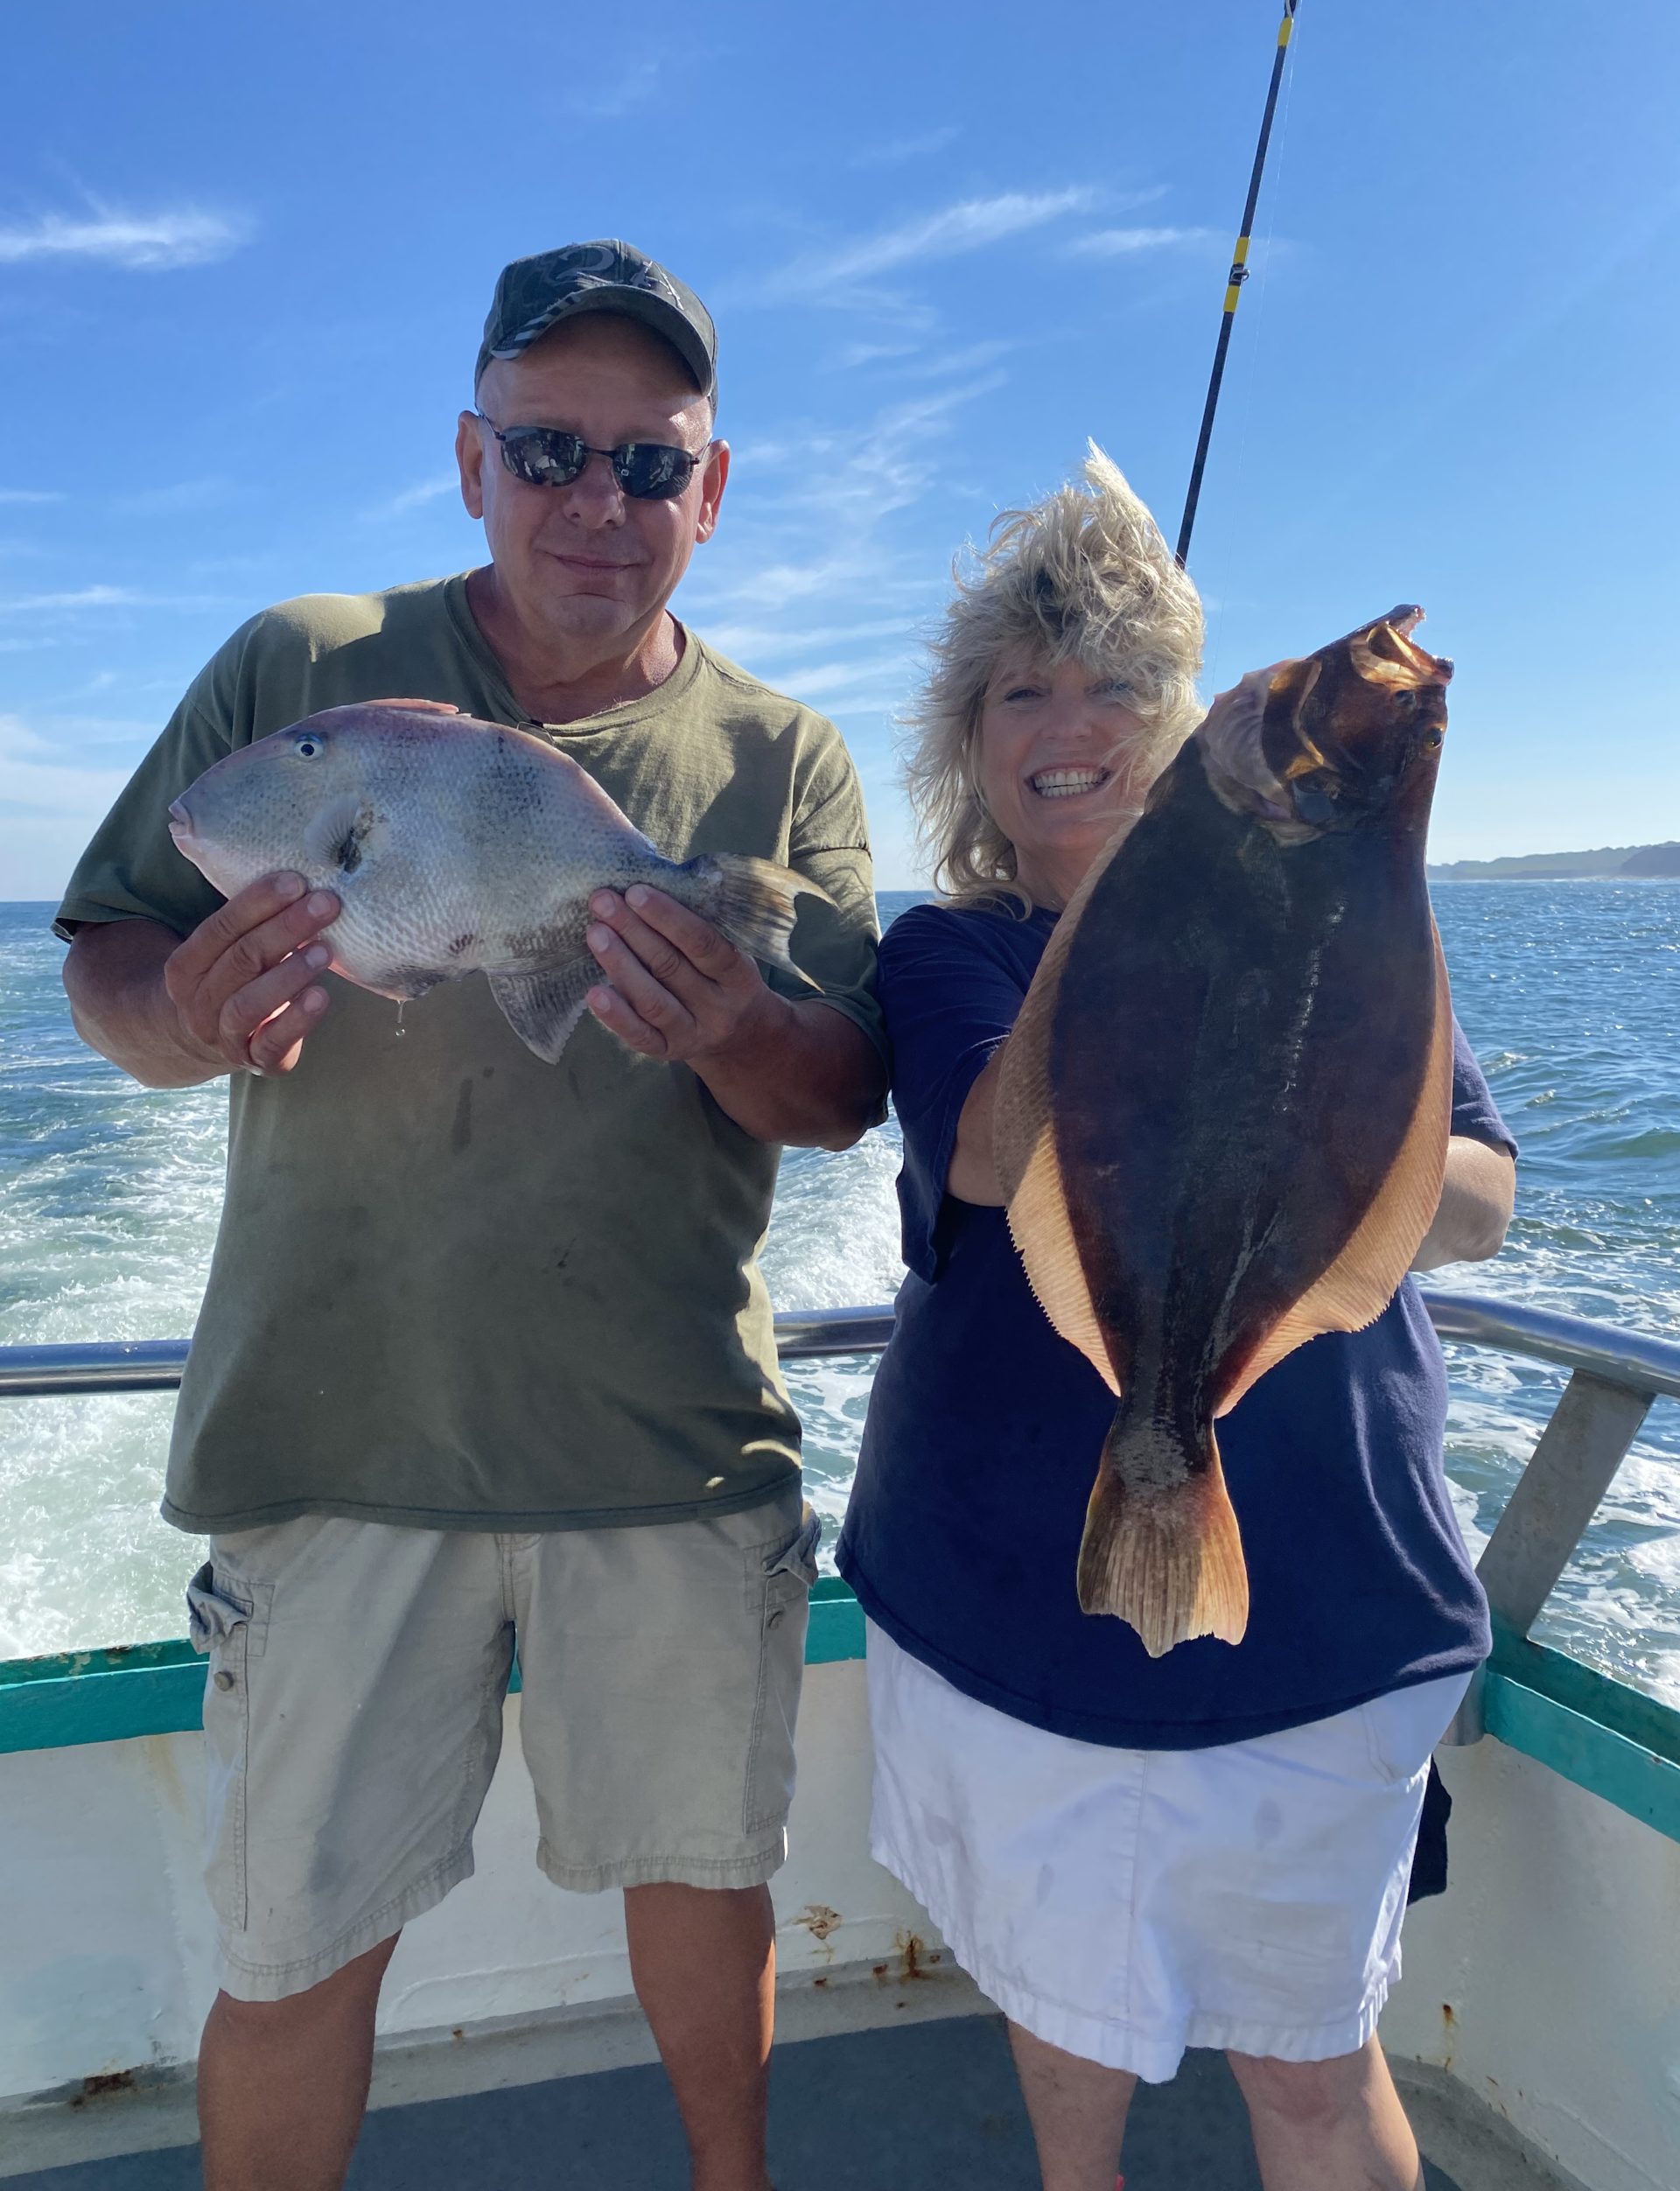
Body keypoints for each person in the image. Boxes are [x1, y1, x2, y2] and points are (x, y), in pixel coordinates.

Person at [57, 239, 887, 2191]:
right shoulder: (301, 668)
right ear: (468, 458)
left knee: (703, 1886)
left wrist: (737, 1023)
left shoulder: (784, 760)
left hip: (668, 1446)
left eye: (649, 463)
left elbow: (844, 1092)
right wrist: (183, 1012)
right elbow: (112, 947)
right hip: (335, 1435)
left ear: (715, 486)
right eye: (547, 449)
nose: (598, 503)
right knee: (293, 1943)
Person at [836, 449, 1516, 2191]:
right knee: (1071, 2037)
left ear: (1185, 712)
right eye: (1021, 688)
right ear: (970, 736)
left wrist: (1341, 1141)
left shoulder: (1336, 918)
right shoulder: (950, 949)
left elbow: (1482, 1200)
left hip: (1324, 1600)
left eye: (1119, 680)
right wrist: (1135, 913)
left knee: (1313, 2059)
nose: (1068, 720)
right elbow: (993, 1154)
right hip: (1014, 1598)